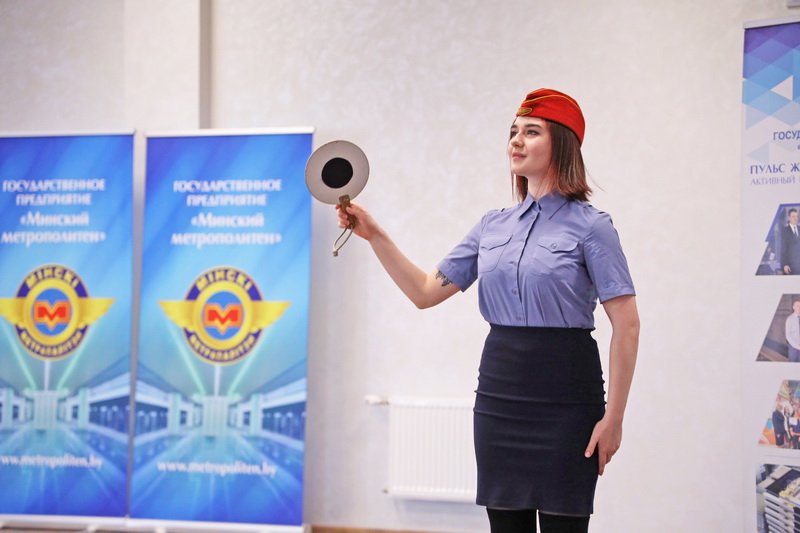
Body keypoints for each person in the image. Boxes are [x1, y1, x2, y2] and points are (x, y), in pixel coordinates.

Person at [336, 88, 640, 533]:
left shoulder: (593, 227)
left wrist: (614, 418)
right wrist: (375, 235)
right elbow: (424, 291)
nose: (516, 140)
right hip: (500, 398)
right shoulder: (491, 226)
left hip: (568, 402)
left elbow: (627, 325)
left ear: (562, 144)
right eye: (513, 131)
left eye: (531, 132)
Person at [781, 208, 800, 275]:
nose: (795, 218)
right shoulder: (784, 231)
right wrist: (785, 264)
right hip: (791, 266)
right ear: (789, 218)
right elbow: (783, 249)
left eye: (796, 216)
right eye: (793, 216)